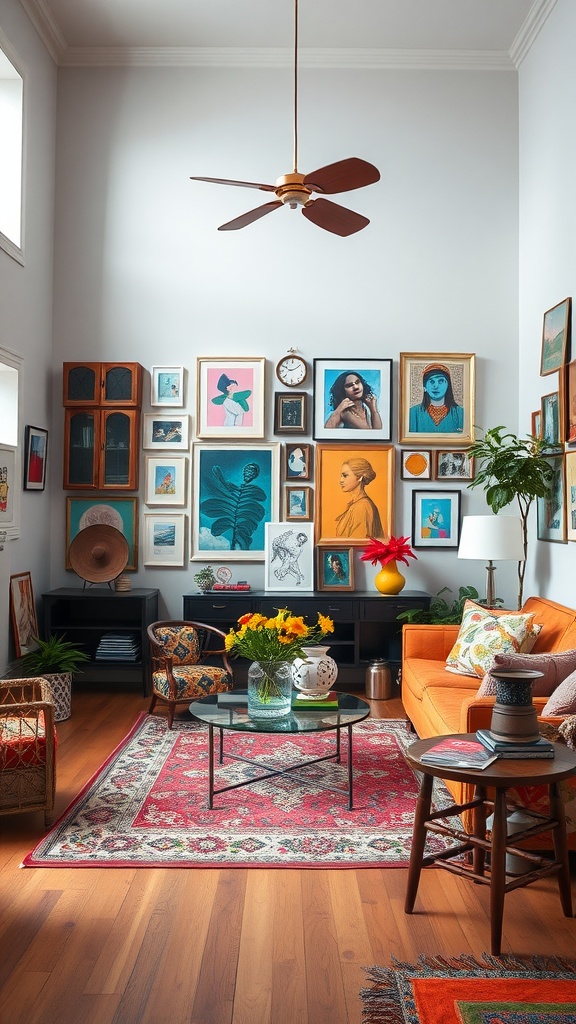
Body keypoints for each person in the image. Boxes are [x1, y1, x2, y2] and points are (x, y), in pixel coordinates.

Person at [334, 458, 384, 538]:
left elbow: (358, 543)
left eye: (345, 476)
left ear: (360, 477)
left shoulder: (361, 507)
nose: (341, 480)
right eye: (341, 476)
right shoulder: (357, 504)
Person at [409, 363, 464, 434]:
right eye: (431, 381)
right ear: (424, 387)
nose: (436, 386)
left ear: (448, 385)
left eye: (441, 381)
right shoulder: (413, 413)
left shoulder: (460, 413)